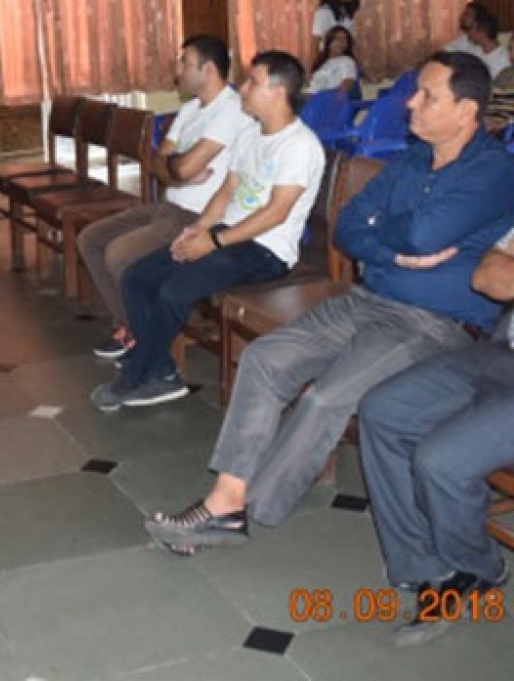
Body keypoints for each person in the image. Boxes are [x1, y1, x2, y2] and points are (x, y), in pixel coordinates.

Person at [145, 51, 514, 551]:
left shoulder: (493, 172)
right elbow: (347, 226)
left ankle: (243, 507)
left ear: (466, 111)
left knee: (325, 397)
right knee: (264, 358)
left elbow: (424, 233)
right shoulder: (411, 157)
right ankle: (227, 501)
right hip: (368, 298)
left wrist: (381, 233)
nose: (411, 101)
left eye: (427, 95)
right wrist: (395, 254)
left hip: (432, 323)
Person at [90, 51, 325, 411]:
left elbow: (276, 213)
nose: (243, 89)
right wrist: (197, 230)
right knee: (137, 277)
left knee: (172, 291)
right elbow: (226, 191)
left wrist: (213, 241)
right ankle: (163, 371)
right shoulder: (251, 133)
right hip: (226, 236)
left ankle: (139, 375)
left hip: (265, 251)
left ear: (278, 92)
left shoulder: (301, 145)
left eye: (253, 83)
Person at [358, 237, 514, 648]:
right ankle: (423, 564)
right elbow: (487, 276)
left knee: (441, 461)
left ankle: (478, 568)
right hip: (503, 353)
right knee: (383, 410)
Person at [79, 35, 251, 361]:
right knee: (91, 240)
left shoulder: (230, 111)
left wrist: (176, 167)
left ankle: (144, 340)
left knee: (119, 254)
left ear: (209, 69)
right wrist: (177, 170)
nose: (179, 71)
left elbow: (180, 165)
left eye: (185, 63)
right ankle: (133, 327)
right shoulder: (189, 109)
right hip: (168, 206)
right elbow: (157, 164)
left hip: (197, 217)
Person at [465, 2, 511, 79]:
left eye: (471, 29)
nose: (468, 32)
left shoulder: (504, 60)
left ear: (482, 32)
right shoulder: (474, 50)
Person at [308, 25, 359, 93]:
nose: (341, 43)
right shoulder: (321, 63)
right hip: (314, 97)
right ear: (329, 41)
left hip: (330, 98)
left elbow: (348, 82)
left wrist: (336, 97)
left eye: (344, 39)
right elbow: (313, 87)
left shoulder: (347, 61)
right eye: (337, 39)